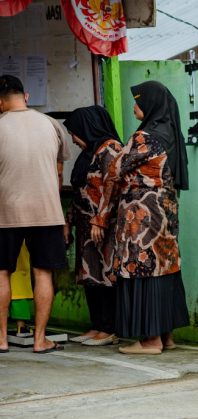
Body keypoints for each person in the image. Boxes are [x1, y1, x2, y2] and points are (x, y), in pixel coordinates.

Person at [90, 80, 189, 355]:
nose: (134, 106)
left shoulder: (145, 137)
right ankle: (166, 336)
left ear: (150, 104)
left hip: (142, 214)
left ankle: (150, 341)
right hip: (166, 212)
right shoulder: (171, 133)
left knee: (142, 267)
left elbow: (114, 171)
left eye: (138, 101)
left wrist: (101, 215)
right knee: (164, 268)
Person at [0, 74, 71, 354]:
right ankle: (40, 340)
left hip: (6, 212)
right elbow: (58, 172)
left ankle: (1, 339)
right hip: (47, 211)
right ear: (26, 96)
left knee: (2, 272)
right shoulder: (51, 124)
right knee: (43, 273)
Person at [64, 106, 122, 347]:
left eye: (74, 133)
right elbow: (79, 191)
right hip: (86, 226)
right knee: (90, 275)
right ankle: (97, 325)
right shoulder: (89, 153)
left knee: (105, 275)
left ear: (87, 128)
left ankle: (109, 328)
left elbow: (113, 187)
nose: (73, 139)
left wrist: (101, 219)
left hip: (104, 226)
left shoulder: (110, 149)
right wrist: (68, 221)